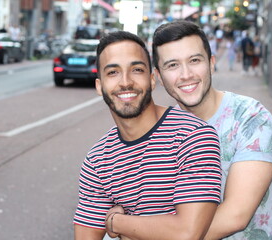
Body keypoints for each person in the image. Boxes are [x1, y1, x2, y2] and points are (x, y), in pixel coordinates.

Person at [73, 31, 222, 240]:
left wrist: (116, 222)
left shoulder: (192, 137)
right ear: (100, 86)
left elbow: (186, 233)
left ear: (152, 79)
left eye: (136, 70)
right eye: (113, 72)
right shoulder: (97, 159)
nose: (125, 82)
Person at [150, 20, 272, 239]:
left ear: (211, 63)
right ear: (159, 77)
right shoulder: (162, 131)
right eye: (172, 65)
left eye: (194, 60)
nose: (186, 74)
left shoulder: (251, 118)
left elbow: (236, 215)